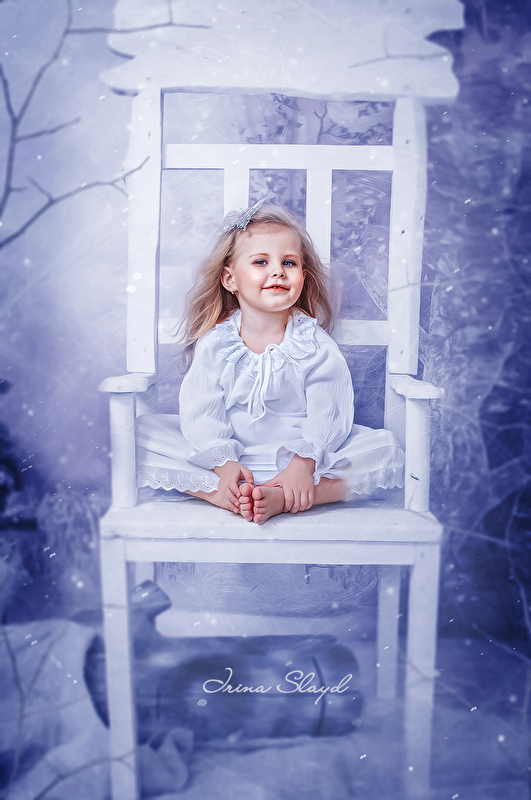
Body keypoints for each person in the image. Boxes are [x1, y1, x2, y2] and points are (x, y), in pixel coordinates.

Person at [136, 201, 404, 524]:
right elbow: (201, 410)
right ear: (230, 279)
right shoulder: (217, 344)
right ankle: (222, 491)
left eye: (288, 262)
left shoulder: (314, 344)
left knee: (384, 450)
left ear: (303, 277)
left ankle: (285, 494)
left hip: (299, 461)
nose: (277, 271)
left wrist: (303, 463)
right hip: (230, 459)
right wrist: (223, 463)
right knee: (142, 435)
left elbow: (329, 411)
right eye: (261, 261)